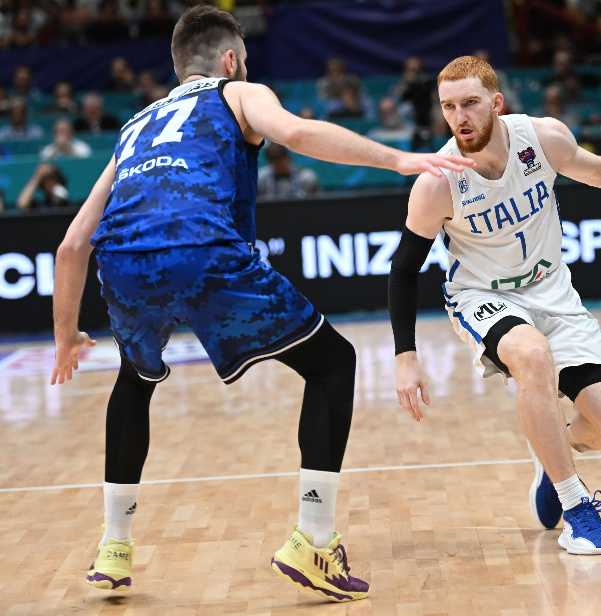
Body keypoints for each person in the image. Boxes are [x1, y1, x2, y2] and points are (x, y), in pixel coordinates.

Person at [50, 5, 473, 603]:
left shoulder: (134, 126)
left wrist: (66, 337)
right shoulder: (238, 92)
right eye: (242, 62)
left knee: (133, 380)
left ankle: (113, 547)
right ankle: (315, 540)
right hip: (204, 249)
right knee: (332, 364)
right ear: (229, 60)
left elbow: (72, 244)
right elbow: (298, 134)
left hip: (123, 263)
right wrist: (400, 159)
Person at [388, 56, 601, 555]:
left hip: (553, 290)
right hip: (484, 296)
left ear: (496, 103)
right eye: (450, 106)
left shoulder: (540, 138)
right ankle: (577, 509)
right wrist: (405, 355)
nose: (460, 117)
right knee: (532, 356)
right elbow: (403, 268)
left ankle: (551, 458)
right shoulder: (437, 182)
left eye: (471, 103)